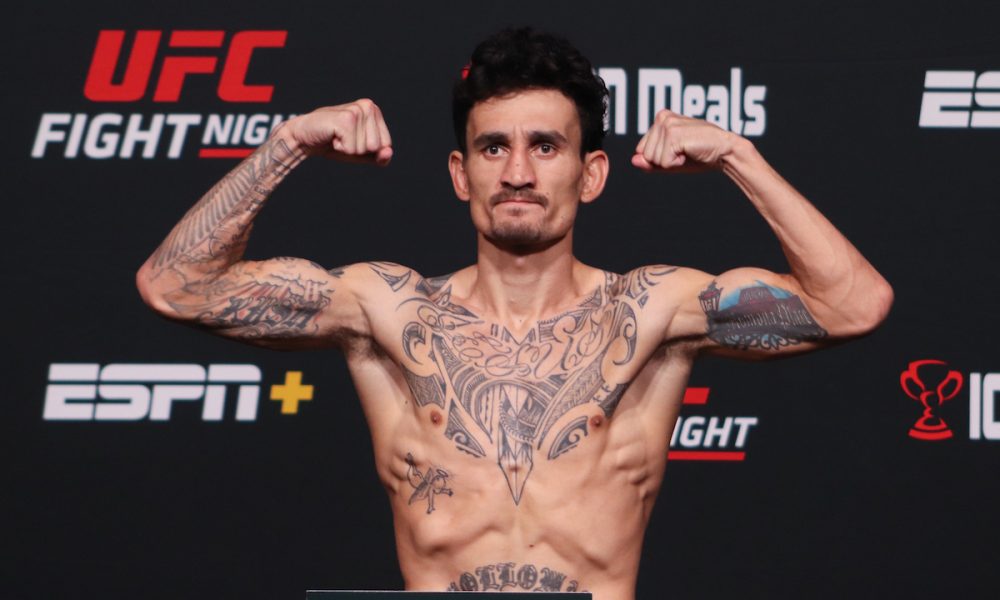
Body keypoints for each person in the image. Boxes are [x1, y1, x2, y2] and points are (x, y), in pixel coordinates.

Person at [136, 27, 892, 600]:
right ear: (461, 174)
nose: (519, 172)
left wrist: (736, 155)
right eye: (493, 148)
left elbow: (854, 305)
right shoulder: (389, 311)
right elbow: (175, 287)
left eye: (546, 146)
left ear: (591, 174)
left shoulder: (651, 312)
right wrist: (288, 143)